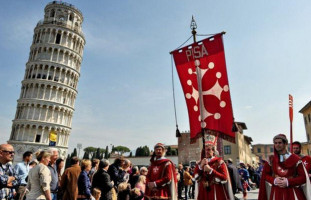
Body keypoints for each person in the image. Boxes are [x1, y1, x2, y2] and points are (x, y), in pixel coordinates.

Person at [258, 134, 310, 200]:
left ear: (285, 144)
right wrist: (274, 180)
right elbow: (265, 176)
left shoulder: (295, 159)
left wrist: (288, 182)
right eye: (275, 143)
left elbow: (303, 177)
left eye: (280, 143)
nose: (277, 145)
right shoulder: (271, 159)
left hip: (292, 191)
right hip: (276, 192)